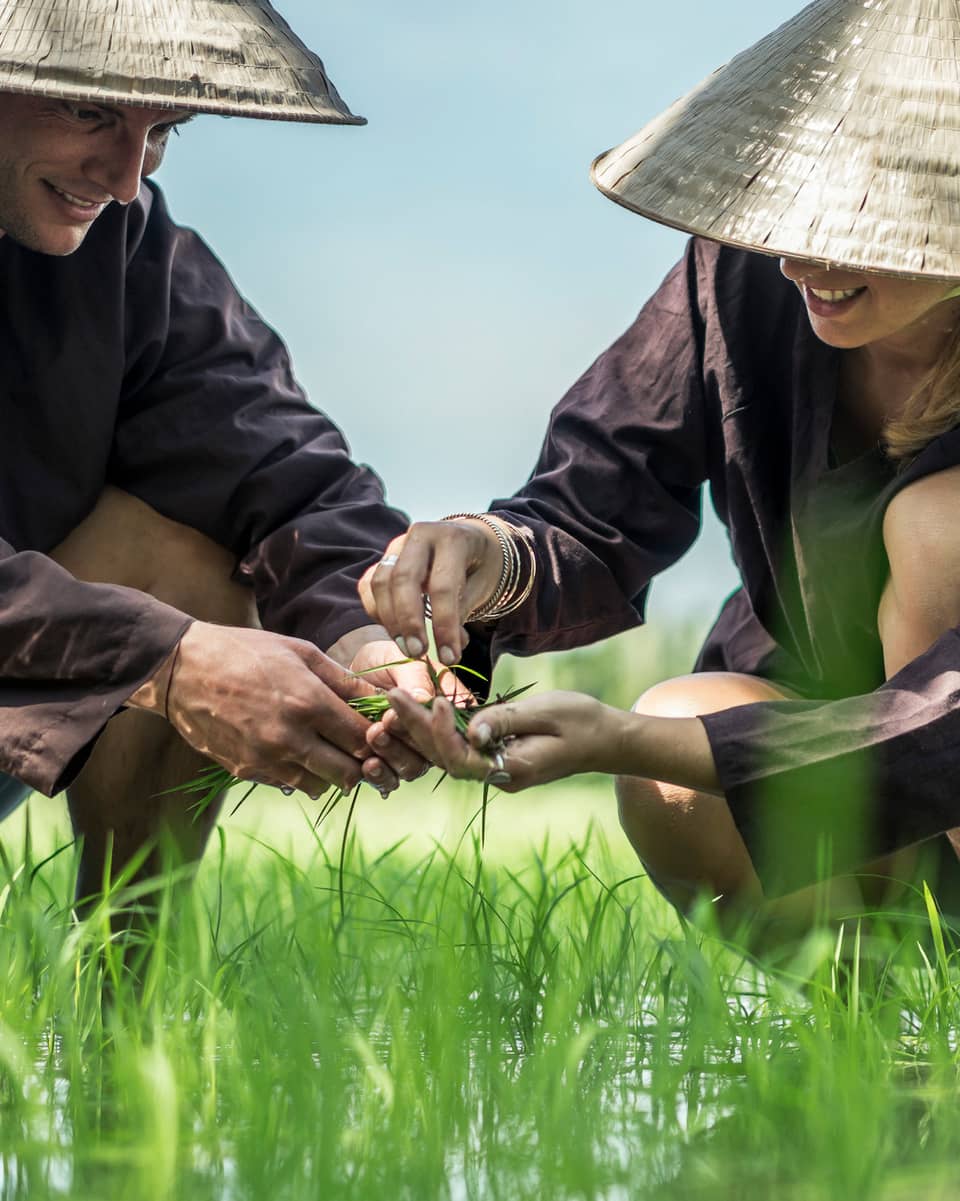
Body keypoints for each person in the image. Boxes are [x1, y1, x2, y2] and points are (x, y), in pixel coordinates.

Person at [359, 0, 960, 939]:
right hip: (815, 772)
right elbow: (598, 499)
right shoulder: (745, 275)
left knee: (939, 531)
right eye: (788, 206)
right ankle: (879, 1022)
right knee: (678, 739)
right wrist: (481, 560)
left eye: (856, 221)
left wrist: (633, 738)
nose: (801, 254)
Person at [0, 0, 439, 906]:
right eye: (88, 112)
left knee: (189, 554)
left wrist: (364, 639)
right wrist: (168, 663)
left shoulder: (124, 245)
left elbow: (272, 457)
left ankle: (124, 1012)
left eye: (161, 127)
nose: (124, 178)